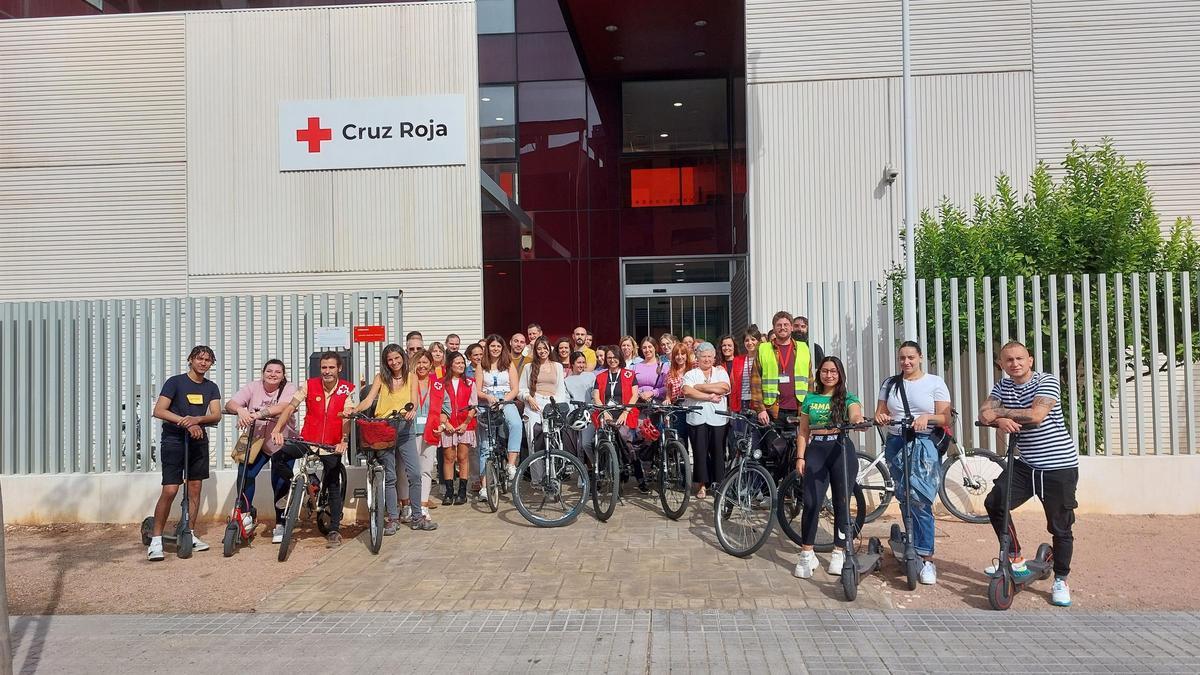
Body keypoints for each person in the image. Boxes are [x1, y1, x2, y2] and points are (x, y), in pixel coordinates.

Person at [978, 341, 1078, 607]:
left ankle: (1061, 579)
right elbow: (984, 413)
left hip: (1058, 465)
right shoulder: (1002, 386)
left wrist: (998, 414)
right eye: (1009, 360)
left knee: (1060, 526)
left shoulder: (1047, 382)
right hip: (1025, 464)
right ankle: (1014, 556)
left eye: (1020, 358)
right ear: (1001, 364)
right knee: (995, 502)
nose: (1015, 364)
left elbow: (1036, 416)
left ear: (1030, 360)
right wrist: (998, 419)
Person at [873, 340, 951, 585]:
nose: (906, 362)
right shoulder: (890, 383)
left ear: (920, 357)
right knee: (904, 495)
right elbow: (879, 413)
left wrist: (926, 417)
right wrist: (882, 417)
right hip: (897, 442)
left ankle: (926, 557)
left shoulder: (935, 383)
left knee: (921, 499)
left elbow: (945, 416)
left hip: (925, 444)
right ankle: (912, 542)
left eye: (910, 357)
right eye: (902, 358)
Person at [270, 351, 355, 548]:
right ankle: (296, 486)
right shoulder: (309, 385)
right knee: (279, 456)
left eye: (331, 367)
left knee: (333, 482)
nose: (327, 371)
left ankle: (334, 529)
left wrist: (343, 440)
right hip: (308, 440)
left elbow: (347, 417)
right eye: (324, 367)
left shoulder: (346, 389)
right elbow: (290, 407)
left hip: (331, 445)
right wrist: (277, 429)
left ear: (339, 369)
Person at [147, 345, 222, 561]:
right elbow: (159, 410)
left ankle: (189, 532)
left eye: (208, 360)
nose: (203, 363)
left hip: (198, 441)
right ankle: (156, 539)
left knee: (195, 488)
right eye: (199, 358)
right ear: (190, 360)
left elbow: (216, 415)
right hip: (174, 441)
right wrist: (186, 423)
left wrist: (197, 420)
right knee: (170, 490)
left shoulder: (211, 388)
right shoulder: (175, 382)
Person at [792, 356, 863, 579]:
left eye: (833, 371)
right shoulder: (810, 399)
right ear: (819, 373)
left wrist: (858, 421)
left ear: (840, 374)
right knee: (812, 502)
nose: (829, 375)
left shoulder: (848, 397)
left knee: (842, 501)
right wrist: (800, 457)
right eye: (824, 371)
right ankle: (806, 554)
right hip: (816, 451)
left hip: (841, 449)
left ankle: (839, 552)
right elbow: (803, 431)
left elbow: (855, 413)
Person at [225, 359, 298, 544]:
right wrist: (241, 410)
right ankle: (244, 516)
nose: (273, 374)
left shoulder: (289, 388)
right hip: (256, 441)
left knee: (280, 482)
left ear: (283, 375)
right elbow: (230, 403)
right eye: (269, 371)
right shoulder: (253, 386)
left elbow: (284, 407)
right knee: (245, 475)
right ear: (263, 372)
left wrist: (258, 414)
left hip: (282, 441)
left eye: (278, 372)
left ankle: (281, 522)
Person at [350, 344, 420, 534]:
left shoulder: (411, 377)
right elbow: (368, 400)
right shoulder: (381, 378)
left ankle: (417, 516)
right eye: (390, 359)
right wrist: (354, 410)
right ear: (385, 362)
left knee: (414, 474)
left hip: (405, 428)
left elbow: (414, 400)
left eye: (397, 358)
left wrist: (412, 410)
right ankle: (393, 519)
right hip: (384, 428)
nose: (394, 362)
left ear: (403, 358)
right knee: (390, 476)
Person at [592, 346, 649, 493]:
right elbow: (596, 397)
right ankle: (600, 477)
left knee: (624, 437)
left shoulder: (629, 374)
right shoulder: (600, 376)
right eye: (609, 357)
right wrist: (604, 411)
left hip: (626, 412)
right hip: (606, 413)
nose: (612, 360)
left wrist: (625, 412)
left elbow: (635, 395)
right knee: (600, 440)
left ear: (620, 358)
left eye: (614, 357)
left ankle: (638, 474)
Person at [476, 334, 523, 502]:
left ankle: (511, 464)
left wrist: (504, 401)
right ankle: (484, 486)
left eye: (498, 346)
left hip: (506, 398)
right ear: (487, 348)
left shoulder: (508, 363)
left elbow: (515, 388)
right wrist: (488, 398)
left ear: (502, 348)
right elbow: (478, 389)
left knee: (516, 424)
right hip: (487, 401)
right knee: (485, 445)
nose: (495, 349)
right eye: (492, 346)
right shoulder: (482, 365)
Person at [681, 342, 730, 499]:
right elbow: (687, 391)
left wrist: (700, 387)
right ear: (697, 357)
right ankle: (702, 485)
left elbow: (724, 387)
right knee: (700, 452)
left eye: (710, 356)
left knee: (718, 451)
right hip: (697, 417)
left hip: (718, 417)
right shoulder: (691, 374)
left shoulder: (720, 371)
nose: (707, 359)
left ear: (714, 357)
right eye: (703, 356)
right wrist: (709, 396)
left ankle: (719, 483)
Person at [751, 312, 813, 426]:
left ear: (791, 327)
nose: (782, 328)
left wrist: (809, 409)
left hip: (798, 410)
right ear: (774, 328)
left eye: (786, 324)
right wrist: (760, 409)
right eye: (779, 325)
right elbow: (755, 381)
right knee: (773, 444)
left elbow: (809, 382)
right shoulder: (763, 349)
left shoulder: (803, 349)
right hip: (771, 411)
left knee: (798, 444)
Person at [436, 351, 477, 506]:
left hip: (464, 425)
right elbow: (438, 405)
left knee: (463, 457)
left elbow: (473, 406)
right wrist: (445, 423)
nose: (460, 365)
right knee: (448, 458)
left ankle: (462, 491)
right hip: (448, 424)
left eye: (462, 363)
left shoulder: (470, 383)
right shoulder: (440, 383)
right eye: (457, 363)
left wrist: (466, 423)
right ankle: (448, 491)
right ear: (450, 365)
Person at [406, 350, 439, 530]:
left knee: (426, 470)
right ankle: (408, 505)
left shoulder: (438, 385)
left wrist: (442, 422)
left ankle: (423, 507)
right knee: (410, 471)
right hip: (410, 432)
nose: (422, 366)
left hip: (430, 431)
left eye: (425, 362)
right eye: (419, 362)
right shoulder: (407, 382)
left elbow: (445, 407)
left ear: (431, 365)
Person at [518, 336, 568, 447]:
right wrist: (528, 398)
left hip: (552, 404)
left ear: (549, 349)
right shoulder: (528, 367)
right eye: (539, 349)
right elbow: (520, 390)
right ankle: (536, 464)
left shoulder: (558, 366)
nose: (542, 351)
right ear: (535, 350)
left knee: (553, 441)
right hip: (534, 405)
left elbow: (561, 390)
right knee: (534, 442)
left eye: (545, 348)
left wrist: (557, 406)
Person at [563, 351, 597, 460]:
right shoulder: (567, 381)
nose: (581, 365)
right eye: (579, 362)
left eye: (583, 362)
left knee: (586, 443)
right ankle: (583, 471)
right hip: (577, 416)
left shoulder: (591, 376)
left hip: (591, 413)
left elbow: (595, 394)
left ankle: (596, 465)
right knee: (579, 446)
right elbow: (567, 400)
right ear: (572, 364)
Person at [729, 327, 760, 413]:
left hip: (758, 401)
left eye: (753, 339)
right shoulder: (737, 360)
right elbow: (734, 384)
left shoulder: (762, 359)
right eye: (747, 340)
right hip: (742, 401)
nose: (750, 343)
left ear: (758, 341)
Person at [631, 337, 667, 403]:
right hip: (638, 403)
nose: (647, 350)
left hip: (656, 404)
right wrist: (639, 393)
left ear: (655, 348)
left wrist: (652, 393)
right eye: (644, 347)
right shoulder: (635, 367)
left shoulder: (663, 366)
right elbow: (630, 386)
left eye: (650, 347)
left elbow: (667, 387)